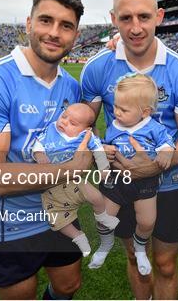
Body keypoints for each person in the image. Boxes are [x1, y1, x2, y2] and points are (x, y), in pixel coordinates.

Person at [0, 0, 94, 299]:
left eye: (66, 26)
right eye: (46, 20)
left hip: (59, 212)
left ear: (75, 36)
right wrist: (73, 168)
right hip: (9, 224)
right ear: (29, 23)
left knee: (68, 285)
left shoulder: (71, 88)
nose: (54, 32)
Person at [81, 0, 178, 299]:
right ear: (113, 19)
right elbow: (86, 123)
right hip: (120, 183)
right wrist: (99, 152)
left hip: (170, 184)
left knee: (164, 263)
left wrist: (157, 165)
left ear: (159, 16)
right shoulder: (97, 68)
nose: (135, 27)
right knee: (135, 255)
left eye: (144, 16)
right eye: (126, 17)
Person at [88, 74, 175, 276]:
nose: (116, 112)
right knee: (103, 218)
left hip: (145, 183)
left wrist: (165, 153)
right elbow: (104, 147)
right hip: (117, 181)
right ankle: (105, 243)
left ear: (145, 112)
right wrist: (105, 150)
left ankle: (140, 247)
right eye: (116, 106)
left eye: (124, 109)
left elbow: (167, 144)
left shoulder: (153, 128)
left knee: (147, 222)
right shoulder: (114, 126)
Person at [32, 103, 120, 257]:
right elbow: (38, 143)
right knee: (57, 219)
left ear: (85, 129)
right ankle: (78, 237)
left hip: (74, 180)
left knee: (97, 197)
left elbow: (98, 150)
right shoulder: (52, 129)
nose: (64, 122)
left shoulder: (85, 136)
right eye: (64, 116)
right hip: (51, 186)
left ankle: (102, 216)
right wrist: (39, 154)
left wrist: (104, 169)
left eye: (72, 123)